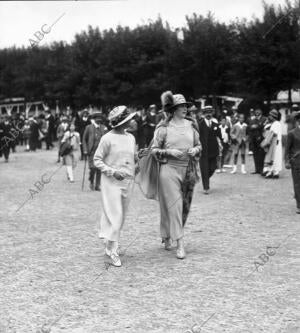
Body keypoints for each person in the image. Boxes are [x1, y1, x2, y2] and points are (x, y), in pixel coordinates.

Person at [151, 91, 202, 259]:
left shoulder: (192, 125)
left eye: (186, 106)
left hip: (188, 170)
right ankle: (180, 243)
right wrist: (169, 151)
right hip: (168, 171)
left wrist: (195, 150)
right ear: (173, 109)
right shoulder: (163, 128)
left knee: (183, 207)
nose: (185, 109)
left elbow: (199, 145)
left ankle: (166, 234)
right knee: (174, 205)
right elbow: (154, 151)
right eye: (181, 107)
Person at [94, 106, 137, 267]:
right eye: (128, 119)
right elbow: (97, 160)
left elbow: (131, 157)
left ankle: (109, 243)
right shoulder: (107, 138)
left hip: (128, 181)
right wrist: (112, 171)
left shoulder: (131, 138)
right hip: (111, 182)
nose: (131, 121)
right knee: (116, 216)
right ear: (121, 122)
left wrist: (138, 161)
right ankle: (113, 250)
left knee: (122, 216)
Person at [197, 105, 222, 194]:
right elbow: (196, 137)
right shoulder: (199, 124)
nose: (208, 114)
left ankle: (205, 177)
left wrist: (222, 145)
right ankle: (206, 187)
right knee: (204, 169)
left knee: (213, 168)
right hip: (203, 151)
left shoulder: (216, 125)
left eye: (210, 112)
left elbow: (220, 136)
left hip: (213, 151)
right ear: (204, 114)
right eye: (207, 112)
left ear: (212, 113)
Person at [83, 111, 107, 191]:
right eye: (97, 118)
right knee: (92, 168)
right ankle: (91, 182)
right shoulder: (89, 127)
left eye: (100, 118)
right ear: (94, 119)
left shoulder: (104, 128)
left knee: (99, 169)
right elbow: (84, 139)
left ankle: (97, 185)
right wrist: (85, 150)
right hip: (91, 151)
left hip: (101, 152)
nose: (99, 119)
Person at [285, 112, 300, 214]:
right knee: (297, 184)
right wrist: (287, 161)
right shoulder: (292, 133)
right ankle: (299, 204)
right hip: (296, 161)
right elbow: (287, 149)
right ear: (298, 121)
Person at [263, 109, 282, 179]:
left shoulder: (277, 124)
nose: (269, 117)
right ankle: (271, 171)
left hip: (276, 142)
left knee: (275, 157)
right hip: (273, 142)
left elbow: (274, 133)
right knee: (272, 157)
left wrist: (267, 138)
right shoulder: (273, 124)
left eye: (270, 116)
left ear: (273, 116)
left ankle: (275, 172)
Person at [248, 108, 267, 174]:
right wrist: (254, 126)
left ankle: (262, 169)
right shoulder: (253, 120)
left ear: (261, 112)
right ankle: (257, 169)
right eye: (256, 112)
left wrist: (257, 126)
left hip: (262, 139)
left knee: (262, 154)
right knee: (255, 154)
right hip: (254, 139)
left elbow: (264, 126)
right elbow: (250, 127)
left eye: (258, 111)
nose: (257, 112)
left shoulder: (265, 119)